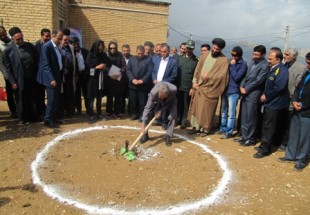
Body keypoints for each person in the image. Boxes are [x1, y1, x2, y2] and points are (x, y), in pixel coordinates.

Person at [187, 38, 229, 136]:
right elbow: (197, 69)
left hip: (211, 90)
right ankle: (195, 127)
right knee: (196, 107)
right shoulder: (205, 55)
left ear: (221, 49)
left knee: (207, 110)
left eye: (217, 49)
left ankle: (205, 129)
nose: (214, 50)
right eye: (214, 48)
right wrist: (194, 82)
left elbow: (223, 76)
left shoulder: (224, 60)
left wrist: (208, 77)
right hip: (199, 87)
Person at [253, 48, 289, 158]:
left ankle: (264, 149)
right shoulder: (273, 68)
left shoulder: (281, 70)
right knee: (266, 125)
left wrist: (266, 96)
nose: (268, 60)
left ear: (278, 59)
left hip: (275, 104)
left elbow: (279, 87)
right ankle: (264, 145)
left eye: (270, 58)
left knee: (269, 126)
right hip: (269, 103)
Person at [278, 52, 310, 171]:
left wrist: (303, 104)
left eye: (309, 63)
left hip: (307, 112)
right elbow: (298, 88)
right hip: (298, 108)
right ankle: (290, 155)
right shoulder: (307, 73)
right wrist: (295, 100)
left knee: (305, 138)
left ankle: (301, 160)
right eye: (307, 62)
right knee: (294, 134)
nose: (307, 65)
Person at [5, 27, 38, 125]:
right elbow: (8, 68)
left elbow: (36, 60)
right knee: (21, 99)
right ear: (12, 39)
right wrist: (12, 82)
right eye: (18, 39)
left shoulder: (30, 46)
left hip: (31, 77)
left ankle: (33, 116)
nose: (20, 41)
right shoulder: (9, 50)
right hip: (18, 79)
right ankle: (23, 119)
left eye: (21, 38)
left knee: (32, 97)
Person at [236, 45, 269, 146]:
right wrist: (241, 86)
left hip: (254, 94)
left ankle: (250, 138)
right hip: (245, 93)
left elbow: (259, 81)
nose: (254, 56)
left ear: (263, 55)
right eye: (253, 54)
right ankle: (244, 136)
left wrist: (247, 89)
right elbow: (246, 76)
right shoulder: (252, 62)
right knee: (244, 116)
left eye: (257, 55)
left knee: (251, 117)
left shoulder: (265, 65)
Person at [217, 46, 247, 139]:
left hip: (234, 91)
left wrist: (233, 66)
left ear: (239, 55)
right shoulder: (229, 61)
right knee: (223, 111)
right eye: (232, 55)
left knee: (231, 113)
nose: (233, 57)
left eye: (235, 55)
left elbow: (237, 77)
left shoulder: (243, 64)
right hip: (225, 89)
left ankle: (229, 131)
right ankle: (222, 128)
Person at [37, 29, 64, 128]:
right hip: (50, 78)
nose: (60, 40)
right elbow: (45, 65)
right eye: (59, 38)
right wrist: (51, 79)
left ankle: (53, 117)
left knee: (56, 98)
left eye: (61, 39)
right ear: (53, 36)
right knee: (51, 99)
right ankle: (48, 119)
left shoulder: (57, 46)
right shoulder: (46, 47)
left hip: (57, 76)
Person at [140, 82, 177, 147]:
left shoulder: (173, 90)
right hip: (157, 99)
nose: (161, 97)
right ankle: (145, 135)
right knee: (148, 114)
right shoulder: (153, 93)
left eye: (163, 96)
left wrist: (161, 111)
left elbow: (168, 103)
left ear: (167, 94)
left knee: (173, 116)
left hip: (171, 101)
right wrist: (143, 124)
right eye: (160, 96)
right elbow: (147, 108)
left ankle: (168, 135)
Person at [152, 43, 178, 129]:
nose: (162, 53)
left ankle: (164, 122)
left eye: (164, 52)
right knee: (157, 103)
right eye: (161, 51)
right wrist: (154, 79)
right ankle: (158, 120)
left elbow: (174, 75)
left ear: (169, 51)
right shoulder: (157, 60)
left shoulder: (173, 61)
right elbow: (154, 71)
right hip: (156, 85)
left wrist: (162, 82)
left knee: (165, 104)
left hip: (166, 87)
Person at [86, 39, 111, 120]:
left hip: (101, 79)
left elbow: (109, 66)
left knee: (99, 97)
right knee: (91, 97)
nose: (101, 47)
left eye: (102, 46)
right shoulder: (90, 55)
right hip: (92, 80)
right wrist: (97, 67)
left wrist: (118, 75)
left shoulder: (103, 55)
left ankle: (99, 113)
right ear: (96, 46)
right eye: (99, 45)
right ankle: (91, 114)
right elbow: (87, 69)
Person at [126, 45, 153, 121]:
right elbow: (128, 70)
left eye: (142, 53)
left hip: (143, 85)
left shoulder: (148, 59)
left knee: (142, 102)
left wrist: (143, 80)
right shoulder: (132, 59)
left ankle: (142, 115)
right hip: (133, 84)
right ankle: (134, 114)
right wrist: (132, 79)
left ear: (144, 52)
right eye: (139, 54)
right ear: (136, 52)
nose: (140, 55)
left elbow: (149, 71)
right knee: (133, 101)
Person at [177, 39, 198, 129]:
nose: (189, 50)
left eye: (191, 49)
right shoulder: (180, 59)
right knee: (178, 104)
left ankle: (183, 121)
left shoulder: (195, 61)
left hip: (187, 87)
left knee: (186, 106)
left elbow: (195, 75)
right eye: (188, 48)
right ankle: (177, 119)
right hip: (178, 86)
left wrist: (192, 88)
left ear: (193, 49)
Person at [105, 41, 126, 118]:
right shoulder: (106, 55)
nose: (112, 50)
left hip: (118, 78)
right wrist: (109, 74)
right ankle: (109, 112)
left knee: (118, 96)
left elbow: (124, 66)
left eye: (114, 48)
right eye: (111, 48)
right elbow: (105, 66)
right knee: (110, 96)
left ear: (116, 48)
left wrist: (120, 72)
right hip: (109, 79)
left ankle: (117, 112)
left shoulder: (120, 55)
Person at [33, 28, 51, 117]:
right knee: (40, 95)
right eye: (46, 36)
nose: (48, 38)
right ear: (42, 36)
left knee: (50, 95)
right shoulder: (36, 46)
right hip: (39, 75)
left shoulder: (51, 46)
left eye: (49, 36)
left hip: (48, 75)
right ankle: (41, 112)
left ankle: (48, 112)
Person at [0, 26, 17, 118]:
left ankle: (20, 109)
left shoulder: (12, 40)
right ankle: (13, 110)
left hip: (18, 72)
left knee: (18, 93)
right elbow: (1, 63)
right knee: (10, 93)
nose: (2, 37)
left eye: (3, 34)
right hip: (9, 74)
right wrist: (8, 77)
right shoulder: (0, 46)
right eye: (0, 35)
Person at [59, 29, 76, 118]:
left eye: (67, 40)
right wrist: (62, 70)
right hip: (61, 75)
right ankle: (61, 112)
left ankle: (70, 112)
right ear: (61, 39)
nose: (66, 42)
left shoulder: (71, 48)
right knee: (62, 94)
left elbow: (73, 61)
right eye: (65, 40)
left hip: (70, 74)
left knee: (70, 93)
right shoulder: (58, 48)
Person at [70, 36, 89, 115]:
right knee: (77, 94)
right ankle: (79, 110)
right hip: (76, 76)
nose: (76, 45)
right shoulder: (71, 53)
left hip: (85, 75)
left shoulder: (85, 51)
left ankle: (89, 109)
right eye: (74, 44)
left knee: (86, 93)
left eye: (77, 43)